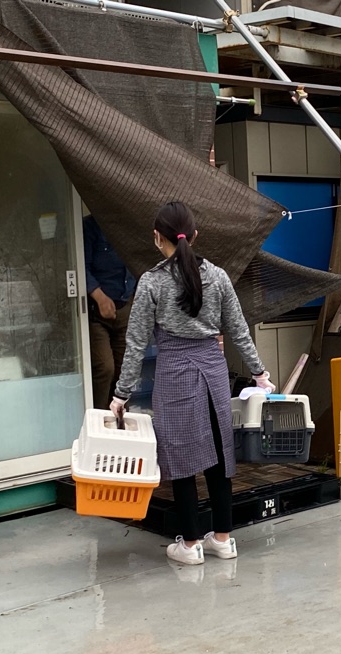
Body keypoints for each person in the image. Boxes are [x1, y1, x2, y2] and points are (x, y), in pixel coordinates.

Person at [110, 202, 274, 566]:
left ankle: (190, 545)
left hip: (175, 374)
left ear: (157, 238)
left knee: (180, 454)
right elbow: (238, 330)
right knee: (218, 451)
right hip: (213, 371)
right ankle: (224, 539)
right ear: (195, 236)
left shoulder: (152, 282)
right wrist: (260, 373)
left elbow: (135, 343)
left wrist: (121, 394)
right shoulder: (217, 276)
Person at [84, 214, 137, 409]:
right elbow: (80, 266)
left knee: (124, 372)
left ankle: (121, 420)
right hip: (96, 313)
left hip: (125, 307)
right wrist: (99, 296)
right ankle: (98, 418)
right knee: (104, 368)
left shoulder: (131, 228)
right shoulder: (90, 227)